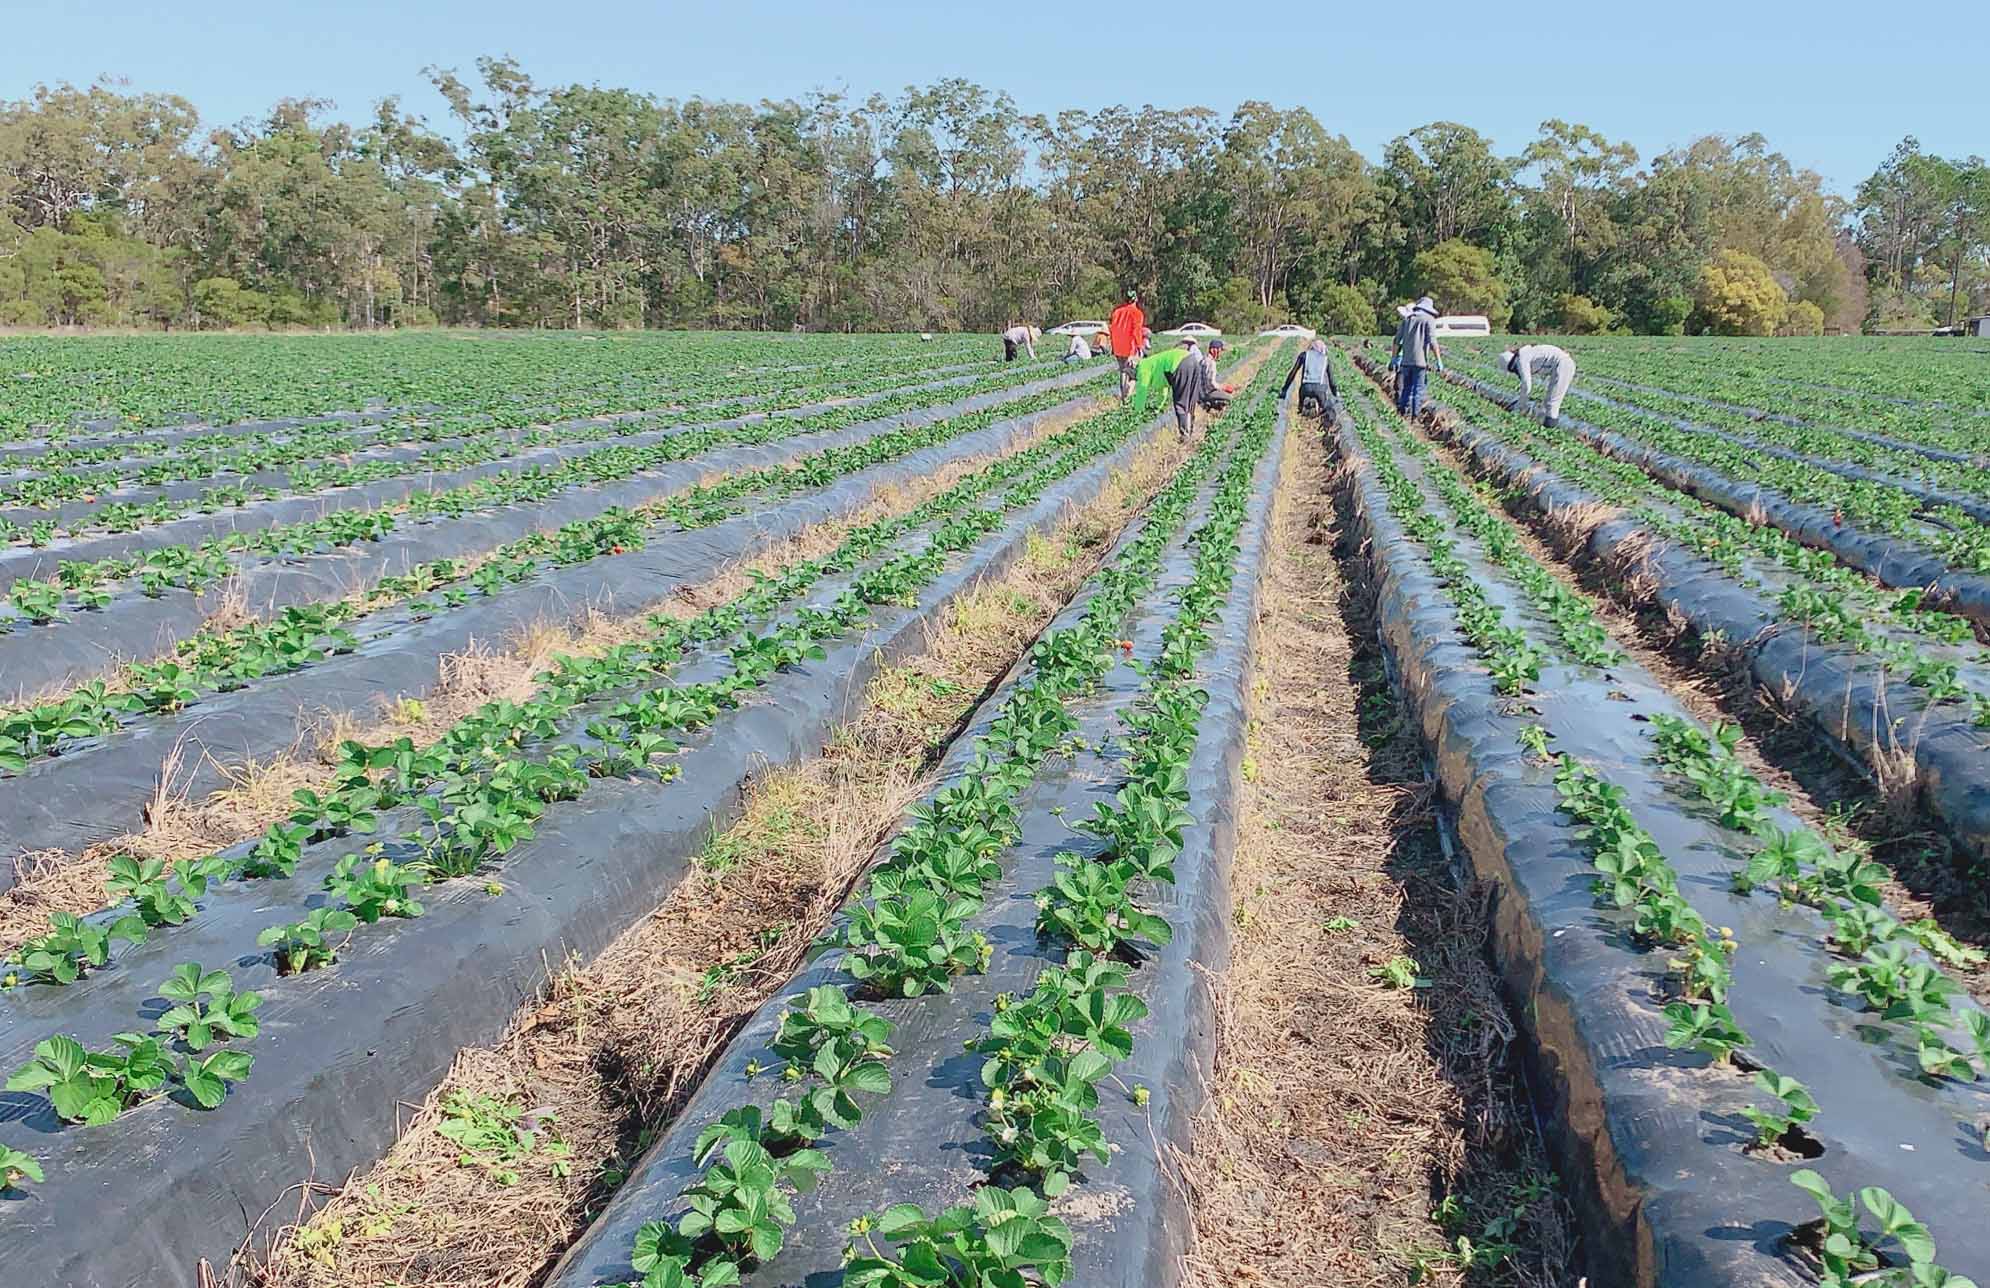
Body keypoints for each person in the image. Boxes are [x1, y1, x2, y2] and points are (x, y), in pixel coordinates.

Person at [1497, 343, 1577, 426]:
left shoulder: (1522, 359)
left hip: (1563, 365)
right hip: (1562, 364)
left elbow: (1526, 386)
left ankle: (1549, 431)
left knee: (1552, 404)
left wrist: (1518, 407)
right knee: (1549, 403)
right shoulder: (1525, 354)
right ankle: (1546, 426)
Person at [1390, 295, 1442, 419]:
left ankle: (1402, 412)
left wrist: (1394, 357)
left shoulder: (1407, 320)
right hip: (1420, 362)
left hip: (1406, 361)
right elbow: (1433, 342)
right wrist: (1438, 360)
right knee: (1418, 390)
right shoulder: (1428, 320)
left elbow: (1397, 340)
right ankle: (1414, 416)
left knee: (1406, 388)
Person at [1279, 338, 1340, 420]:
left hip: (1305, 388)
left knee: (1300, 410)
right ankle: (1320, 414)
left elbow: (1293, 372)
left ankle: (1301, 409)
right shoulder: (1326, 359)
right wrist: (1335, 393)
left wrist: (1284, 389)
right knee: (1325, 408)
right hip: (1320, 390)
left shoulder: (1304, 355)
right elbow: (1331, 380)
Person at [1108, 291, 1146, 401]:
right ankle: (1127, 394)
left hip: (1118, 347)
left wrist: (1113, 345)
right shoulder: (1137, 313)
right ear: (1135, 299)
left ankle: (1123, 395)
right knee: (1134, 373)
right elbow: (1136, 331)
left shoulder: (1117, 312)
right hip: (1130, 348)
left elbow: (1112, 329)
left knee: (1123, 371)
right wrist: (1139, 347)